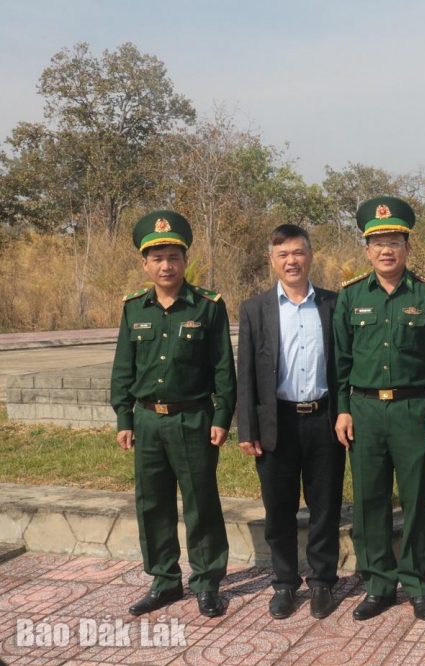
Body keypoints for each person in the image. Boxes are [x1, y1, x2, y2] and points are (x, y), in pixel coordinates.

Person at [333, 196, 425, 622]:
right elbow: (341, 362)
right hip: (364, 412)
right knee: (370, 502)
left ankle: (420, 585)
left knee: (417, 500)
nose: (387, 250)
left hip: (411, 411)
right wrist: (343, 409)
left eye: (395, 242)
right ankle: (378, 584)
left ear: (407, 247)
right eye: (378, 242)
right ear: (367, 250)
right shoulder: (350, 298)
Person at [110, 210, 235, 619]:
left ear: (185, 261)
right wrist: (124, 418)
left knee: (201, 502)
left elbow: (223, 368)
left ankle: (206, 582)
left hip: (193, 418)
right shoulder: (133, 308)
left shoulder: (208, 306)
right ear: (145, 263)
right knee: (153, 503)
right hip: (147, 421)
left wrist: (221, 417)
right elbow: (123, 368)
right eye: (158, 257)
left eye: (174, 257)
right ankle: (164, 581)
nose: (167, 265)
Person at [237, 224, 344, 620]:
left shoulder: (334, 305)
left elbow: (343, 367)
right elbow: (245, 372)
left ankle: (321, 583)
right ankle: (283, 583)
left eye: (298, 252)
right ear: (272, 260)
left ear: (311, 255)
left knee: (325, 506)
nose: (291, 261)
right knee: (278, 509)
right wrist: (247, 429)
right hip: (276, 423)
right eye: (283, 255)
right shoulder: (255, 309)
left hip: (324, 419)